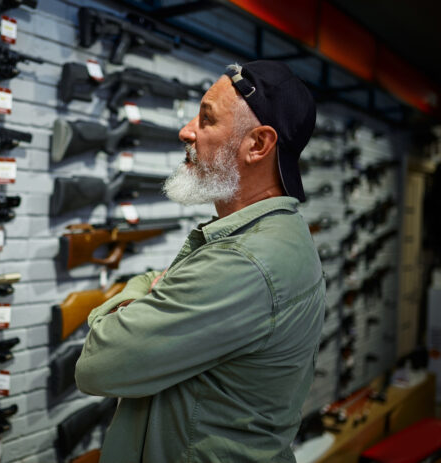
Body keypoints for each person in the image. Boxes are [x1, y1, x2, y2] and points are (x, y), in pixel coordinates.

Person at [75, 61, 326, 463]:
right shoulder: (271, 237)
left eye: (207, 120)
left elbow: (97, 364)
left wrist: (138, 293)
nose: (186, 131)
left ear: (258, 145)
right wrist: (152, 290)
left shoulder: (245, 260)